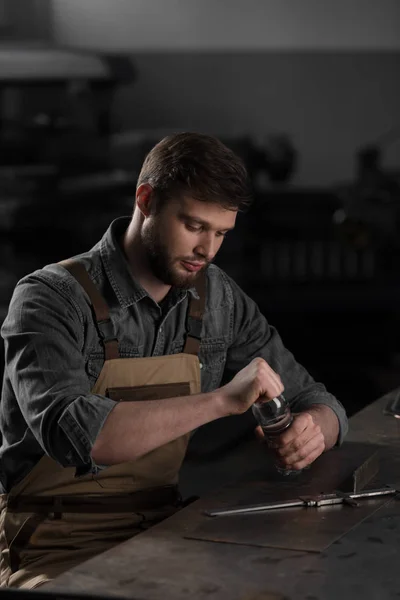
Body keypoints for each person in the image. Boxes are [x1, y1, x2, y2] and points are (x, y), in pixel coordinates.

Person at [0, 132, 348, 589]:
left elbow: (321, 401)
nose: (207, 250)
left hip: (164, 529)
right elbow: (80, 435)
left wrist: (314, 430)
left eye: (221, 233)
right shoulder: (48, 298)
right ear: (146, 200)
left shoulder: (218, 297)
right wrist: (222, 401)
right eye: (194, 225)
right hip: (55, 543)